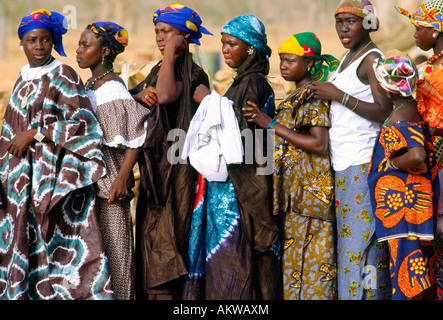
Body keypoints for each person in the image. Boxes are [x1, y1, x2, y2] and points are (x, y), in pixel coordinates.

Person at [0, 9, 113, 300]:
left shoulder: (63, 74)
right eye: (32, 40)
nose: (39, 46)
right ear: (21, 43)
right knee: (22, 238)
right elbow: (10, 129)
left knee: (57, 242)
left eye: (45, 40)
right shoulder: (21, 79)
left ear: (53, 41)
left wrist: (36, 134)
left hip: (53, 177)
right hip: (20, 180)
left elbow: (82, 122)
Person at [183, 14, 280, 300]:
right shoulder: (243, 82)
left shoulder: (252, 82)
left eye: (232, 44)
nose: (225, 49)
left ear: (250, 48)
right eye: (223, 43)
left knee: (234, 263)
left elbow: (237, 134)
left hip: (239, 192)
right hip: (236, 189)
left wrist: (209, 100)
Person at [243, 32, 339, 300]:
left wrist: (270, 124)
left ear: (308, 63)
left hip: (311, 201)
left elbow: (319, 144)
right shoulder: (297, 95)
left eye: (290, 60)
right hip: (294, 199)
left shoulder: (314, 96)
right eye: (282, 60)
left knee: (314, 277)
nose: (283, 65)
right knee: (295, 277)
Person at [310, 0, 392, 300]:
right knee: (351, 247)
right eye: (339, 21)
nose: (343, 27)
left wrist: (338, 95)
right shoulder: (348, 57)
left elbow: (384, 110)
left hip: (362, 161)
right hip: (344, 165)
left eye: (351, 21)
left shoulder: (372, 59)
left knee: (361, 247)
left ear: (368, 24)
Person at [129, 4, 212, 300]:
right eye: (157, 32)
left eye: (167, 32)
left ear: (184, 35)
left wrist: (171, 52)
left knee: (171, 241)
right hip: (154, 173)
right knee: (150, 241)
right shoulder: (157, 70)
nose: (160, 37)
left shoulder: (195, 75)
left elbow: (164, 95)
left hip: (179, 174)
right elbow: (134, 100)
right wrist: (138, 95)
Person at [76, 21, 150, 300]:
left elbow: (136, 137)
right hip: (94, 189)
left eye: (87, 45)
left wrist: (121, 180)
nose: (79, 51)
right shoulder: (93, 86)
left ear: (105, 50)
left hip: (110, 192)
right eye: (80, 45)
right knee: (96, 261)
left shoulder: (113, 89)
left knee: (117, 257)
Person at [368, 55, 438, 300]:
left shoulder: (401, 120)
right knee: (420, 271)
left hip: (405, 210)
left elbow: (417, 154)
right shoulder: (408, 111)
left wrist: (391, 163)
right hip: (409, 209)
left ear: (387, 88)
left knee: (409, 276)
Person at [395, 0, 443, 300]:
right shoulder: (429, 67)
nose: (414, 33)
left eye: (419, 27)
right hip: (429, 166)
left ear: (437, 29)